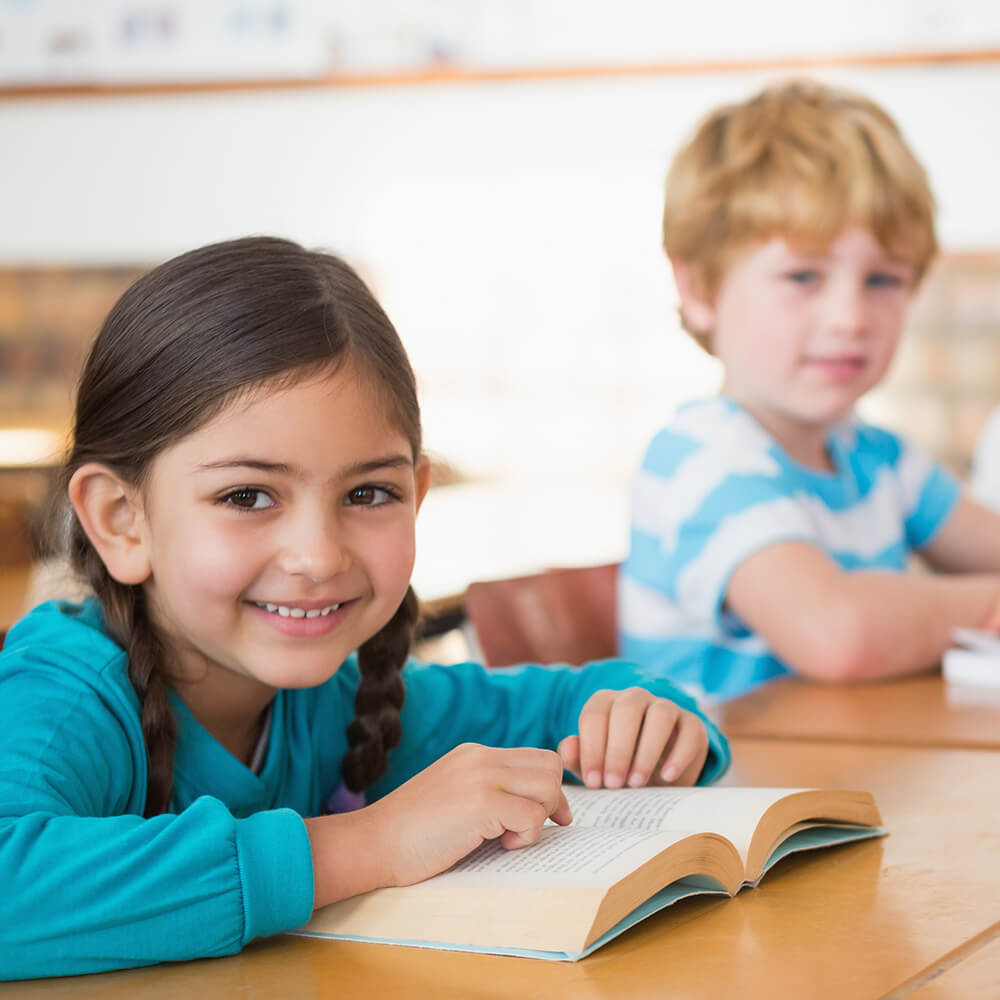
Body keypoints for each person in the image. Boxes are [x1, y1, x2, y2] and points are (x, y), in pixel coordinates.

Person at [0, 236, 728, 980]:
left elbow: (566, 704)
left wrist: (648, 719)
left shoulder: (344, 700)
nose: (318, 556)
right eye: (246, 496)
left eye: (367, 494)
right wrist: (369, 844)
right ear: (122, 518)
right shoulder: (62, 698)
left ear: (416, 492)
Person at [618, 78, 1000, 701]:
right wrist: (990, 604)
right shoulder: (699, 459)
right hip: (733, 793)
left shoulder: (881, 460)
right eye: (803, 275)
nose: (850, 317)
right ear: (700, 289)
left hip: (850, 771)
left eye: (883, 279)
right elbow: (837, 631)